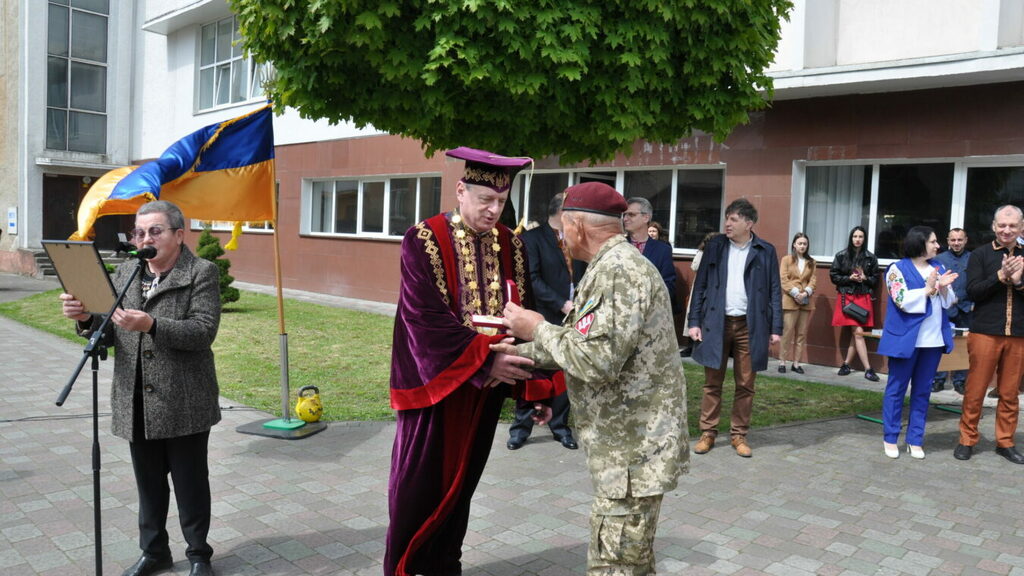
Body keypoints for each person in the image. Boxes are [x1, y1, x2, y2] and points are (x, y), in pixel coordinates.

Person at [496, 181, 688, 576]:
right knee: (631, 565)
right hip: (627, 451)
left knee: (614, 566)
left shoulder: (618, 272)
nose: (560, 236)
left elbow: (595, 361)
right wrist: (508, 356)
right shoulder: (611, 265)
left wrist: (535, 327)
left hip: (631, 454)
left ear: (578, 226)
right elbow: (582, 342)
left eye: (562, 226)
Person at [384, 147, 558, 576]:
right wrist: (484, 362)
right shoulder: (423, 239)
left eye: (501, 201)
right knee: (419, 485)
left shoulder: (511, 243)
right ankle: (405, 567)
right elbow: (423, 318)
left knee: (463, 484)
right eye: (485, 199)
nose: (493, 210)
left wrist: (535, 385)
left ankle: (446, 565)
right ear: (461, 191)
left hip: (488, 390)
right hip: (436, 386)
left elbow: (526, 313)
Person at [60, 201, 220, 576]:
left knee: (190, 484)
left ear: (178, 235)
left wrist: (152, 324)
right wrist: (86, 318)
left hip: (183, 399)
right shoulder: (126, 272)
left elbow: (202, 331)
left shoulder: (201, 272)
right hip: (135, 397)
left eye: (155, 231)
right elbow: (109, 329)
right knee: (148, 485)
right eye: (139, 232)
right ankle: (154, 552)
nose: (145, 239)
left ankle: (199, 555)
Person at [688, 198, 782, 458]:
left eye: (733, 219)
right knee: (712, 383)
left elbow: (775, 290)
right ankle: (708, 433)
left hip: (750, 325)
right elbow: (701, 285)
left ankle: (739, 435)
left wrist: (776, 327)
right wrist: (694, 322)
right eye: (726, 218)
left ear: (749, 223)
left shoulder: (765, 250)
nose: (727, 224)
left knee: (746, 384)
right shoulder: (715, 246)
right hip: (716, 322)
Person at [507, 193, 582, 451]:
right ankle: (521, 428)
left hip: (571, 316)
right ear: (562, 212)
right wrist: (561, 302)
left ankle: (560, 426)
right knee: (532, 370)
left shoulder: (575, 239)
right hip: (540, 315)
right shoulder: (532, 239)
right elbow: (532, 279)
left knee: (564, 370)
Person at [877, 226, 958, 459]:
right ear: (920, 243)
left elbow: (949, 301)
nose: (938, 246)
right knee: (896, 390)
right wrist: (928, 289)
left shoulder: (938, 267)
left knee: (922, 391)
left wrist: (943, 288)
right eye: (933, 242)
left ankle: (915, 439)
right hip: (906, 341)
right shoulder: (896, 269)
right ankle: (890, 437)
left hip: (932, 342)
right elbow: (901, 299)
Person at [954, 205, 1024, 465]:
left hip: (1018, 334)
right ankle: (967, 439)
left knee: (1009, 393)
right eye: (1002, 225)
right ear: (994, 226)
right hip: (985, 332)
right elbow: (973, 291)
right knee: (975, 390)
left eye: (1012, 226)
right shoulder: (980, 255)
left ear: (1021, 228)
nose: (1007, 230)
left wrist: (1018, 281)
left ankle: (1005, 442)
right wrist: (1001, 275)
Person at [830, 226, 881, 381]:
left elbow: (875, 280)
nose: (857, 239)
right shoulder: (841, 255)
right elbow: (833, 276)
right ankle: (868, 369)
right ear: (851, 238)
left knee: (856, 333)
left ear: (864, 239)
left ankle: (846, 364)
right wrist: (849, 278)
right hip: (848, 297)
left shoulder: (871, 258)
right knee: (858, 332)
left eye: (860, 236)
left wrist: (865, 278)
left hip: (863, 297)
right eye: (855, 236)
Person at [623, 197, 681, 315]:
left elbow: (668, 286)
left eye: (631, 214)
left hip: (649, 315)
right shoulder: (618, 245)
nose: (625, 218)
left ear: (646, 217)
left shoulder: (663, 250)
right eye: (624, 214)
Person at [931, 228, 972, 394]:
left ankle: (960, 381)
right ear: (948, 241)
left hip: (966, 308)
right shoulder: (939, 259)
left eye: (960, 240)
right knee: (940, 344)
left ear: (965, 240)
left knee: (964, 346)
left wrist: (974, 304)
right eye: (953, 240)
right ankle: (938, 380)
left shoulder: (973, 258)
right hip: (945, 309)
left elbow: (978, 281)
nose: (956, 243)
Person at [778, 232, 816, 374]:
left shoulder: (811, 262)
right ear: (794, 244)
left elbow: (813, 280)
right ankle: (782, 362)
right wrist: (795, 293)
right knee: (787, 332)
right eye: (800, 243)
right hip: (790, 300)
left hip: (805, 302)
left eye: (805, 244)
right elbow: (783, 279)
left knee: (801, 334)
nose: (802, 246)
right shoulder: (786, 259)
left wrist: (805, 293)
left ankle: (796, 363)